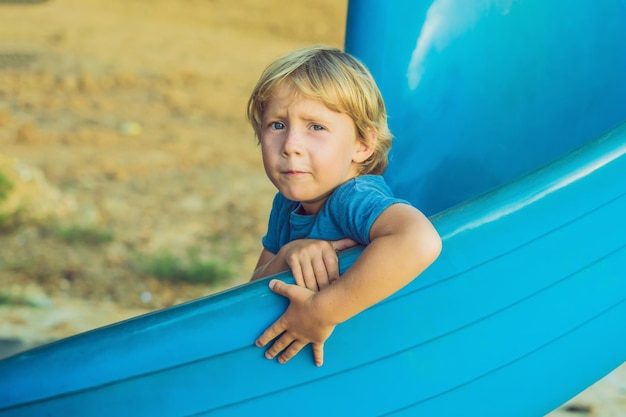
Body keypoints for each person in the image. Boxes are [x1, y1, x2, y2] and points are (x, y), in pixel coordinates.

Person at [247, 45, 442, 367]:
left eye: (316, 127)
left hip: (393, 359)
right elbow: (250, 296)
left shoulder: (352, 197)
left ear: (363, 145)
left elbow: (420, 240)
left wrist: (320, 312)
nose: (291, 146)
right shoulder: (287, 204)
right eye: (277, 125)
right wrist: (287, 254)